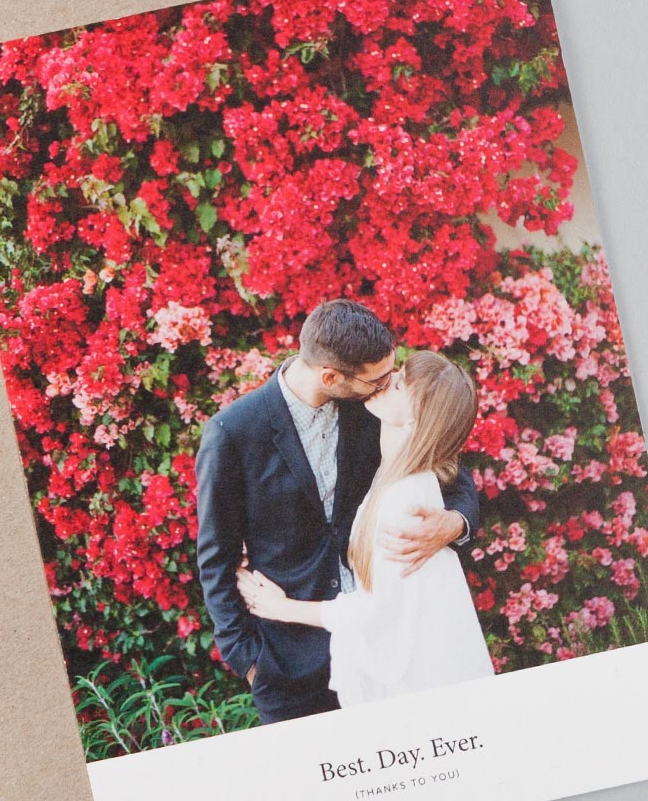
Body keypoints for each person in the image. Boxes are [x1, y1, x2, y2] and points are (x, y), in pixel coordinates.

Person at [193, 300, 481, 724]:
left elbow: (454, 473)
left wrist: (455, 523)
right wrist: (250, 662)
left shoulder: (372, 407)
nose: (387, 385)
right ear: (331, 377)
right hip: (290, 668)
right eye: (379, 379)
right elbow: (215, 558)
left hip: (379, 652)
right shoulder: (233, 433)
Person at [237, 350, 493, 705]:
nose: (387, 382)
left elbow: (377, 611)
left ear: (418, 420)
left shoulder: (407, 497)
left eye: (400, 384)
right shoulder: (391, 473)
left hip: (421, 680)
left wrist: (281, 608)